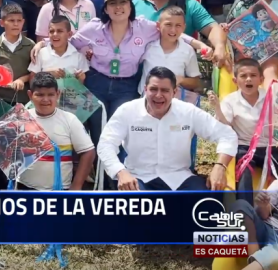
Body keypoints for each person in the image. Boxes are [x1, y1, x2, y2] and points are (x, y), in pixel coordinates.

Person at [34, 0, 212, 149]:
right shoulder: (95, 27)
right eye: (113, 3)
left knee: (120, 129)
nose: (118, 7)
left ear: (130, 7)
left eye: (123, 2)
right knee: (97, 129)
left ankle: (116, 170)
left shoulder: (143, 27)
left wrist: (199, 44)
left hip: (126, 86)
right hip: (96, 84)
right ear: (105, 8)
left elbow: (170, 31)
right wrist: (42, 43)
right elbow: (70, 41)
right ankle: (97, 169)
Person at [98, 67, 238, 191]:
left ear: (175, 92)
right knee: (137, 206)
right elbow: (106, 144)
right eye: (153, 89)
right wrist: (121, 172)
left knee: (207, 203)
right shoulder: (127, 111)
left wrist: (220, 166)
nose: (158, 95)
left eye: (165, 90)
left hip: (179, 178)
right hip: (138, 177)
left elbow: (227, 135)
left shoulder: (188, 112)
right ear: (145, 89)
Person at [208, 59, 278, 205]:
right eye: (243, 76)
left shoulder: (272, 97)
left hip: (270, 146)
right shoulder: (230, 101)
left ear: (261, 79)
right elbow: (225, 127)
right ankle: (245, 208)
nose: (248, 79)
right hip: (245, 147)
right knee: (243, 171)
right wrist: (217, 108)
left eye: (253, 75)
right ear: (235, 80)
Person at [134, 0, 228, 67]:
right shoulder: (133, 6)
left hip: (179, 70)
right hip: (140, 70)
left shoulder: (189, 4)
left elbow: (213, 28)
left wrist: (220, 47)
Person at [22, 72, 95, 191]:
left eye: (50, 94)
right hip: (24, 188)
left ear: (58, 94)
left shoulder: (69, 120)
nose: (45, 99)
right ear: (30, 95)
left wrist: (76, 185)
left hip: (60, 190)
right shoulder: (21, 118)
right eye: (40, 95)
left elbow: (88, 152)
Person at [0, 3, 35, 122]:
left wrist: (21, 80)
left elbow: (34, 72)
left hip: (21, 99)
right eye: (11, 20)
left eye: (19, 20)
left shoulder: (30, 45)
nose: (16, 24)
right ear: (2, 23)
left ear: (23, 22)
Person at [137, 6, 201, 95]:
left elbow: (195, 82)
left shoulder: (188, 50)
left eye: (178, 25)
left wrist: (181, 80)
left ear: (184, 27)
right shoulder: (148, 45)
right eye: (168, 25)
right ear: (158, 25)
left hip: (173, 99)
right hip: (146, 97)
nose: (173, 30)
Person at [28, 15, 87, 83]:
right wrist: (48, 74)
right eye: (51, 31)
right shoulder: (41, 54)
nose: (55, 34)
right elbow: (31, 80)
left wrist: (81, 78)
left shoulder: (79, 57)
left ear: (69, 34)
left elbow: (82, 85)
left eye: (60, 31)